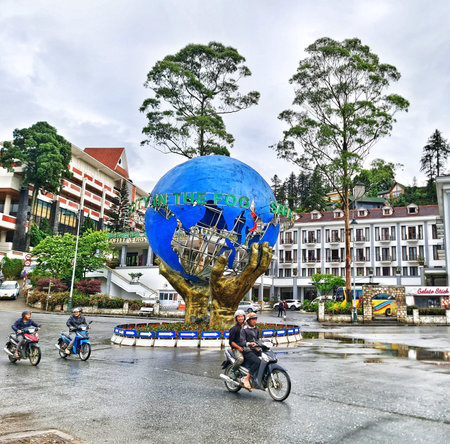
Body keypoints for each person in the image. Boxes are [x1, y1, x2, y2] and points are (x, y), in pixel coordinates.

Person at [239, 312, 262, 390]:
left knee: (265, 358)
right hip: (247, 350)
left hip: (255, 349)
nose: (254, 321)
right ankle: (247, 378)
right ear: (248, 320)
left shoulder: (256, 329)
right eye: (252, 320)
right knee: (257, 361)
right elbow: (241, 342)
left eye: (255, 319)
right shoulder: (244, 329)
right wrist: (249, 343)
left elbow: (258, 340)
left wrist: (259, 346)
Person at [228, 309, 246, 378]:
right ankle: (233, 371)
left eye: (242, 316)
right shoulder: (234, 329)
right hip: (236, 348)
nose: (240, 318)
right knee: (241, 359)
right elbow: (231, 342)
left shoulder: (246, 327)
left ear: (244, 317)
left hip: (245, 347)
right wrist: (238, 347)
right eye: (239, 317)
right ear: (236, 318)